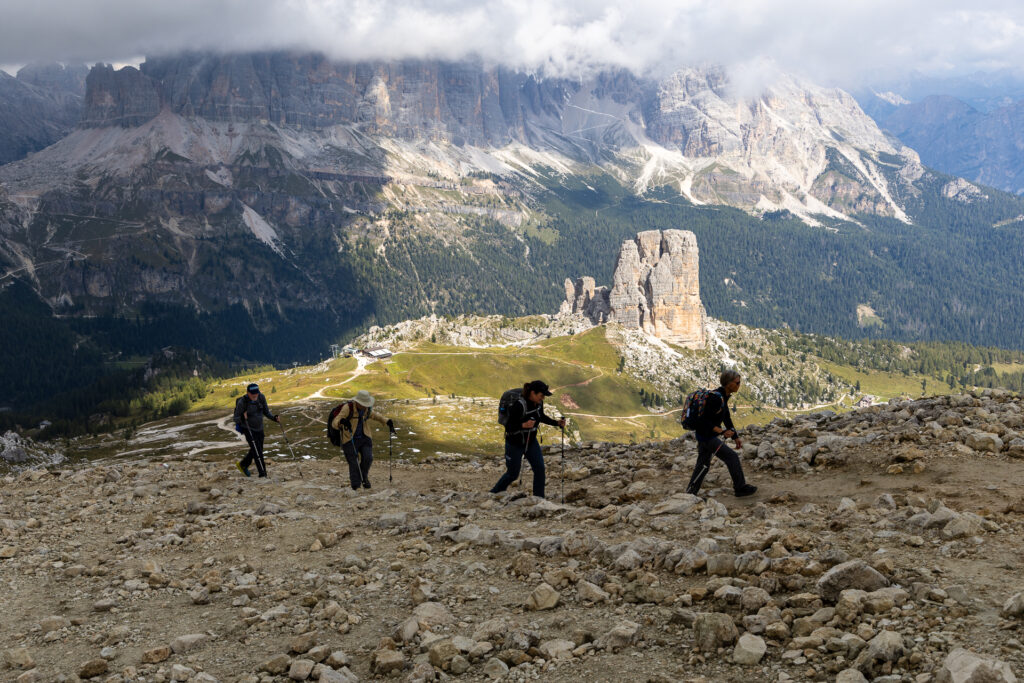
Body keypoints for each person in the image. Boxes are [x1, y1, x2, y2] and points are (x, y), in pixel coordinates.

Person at [685, 370, 758, 497]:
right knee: (732, 457)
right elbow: (703, 420)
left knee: (703, 464)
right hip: (707, 437)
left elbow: (726, 417)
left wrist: (735, 437)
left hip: (704, 436)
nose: (739, 385)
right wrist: (722, 431)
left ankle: (691, 491)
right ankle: (740, 488)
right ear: (729, 383)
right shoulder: (716, 398)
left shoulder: (722, 396)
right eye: (737, 382)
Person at [490, 380, 566, 499]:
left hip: (531, 442)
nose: (543, 398)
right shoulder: (519, 405)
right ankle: (494, 493)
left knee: (540, 469)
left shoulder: (538, 404)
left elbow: (541, 417)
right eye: (541, 395)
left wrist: (556, 423)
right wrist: (523, 425)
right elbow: (509, 426)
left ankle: (539, 498)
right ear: (533, 393)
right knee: (513, 474)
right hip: (514, 443)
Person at [330, 390, 395, 490]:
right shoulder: (348, 408)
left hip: (365, 437)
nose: (366, 406)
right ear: (358, 402)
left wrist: (387, 421)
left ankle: (364, 477)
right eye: (364, 404)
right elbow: (335, 422)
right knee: (354, 462)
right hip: (349, 439)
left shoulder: (366, 409)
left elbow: (375, 415)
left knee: (368, 458)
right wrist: (342, 421)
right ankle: (356, 486)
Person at [234, 382, 279, 478]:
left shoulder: (261, 397)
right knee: (258, 452)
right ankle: (263, 474)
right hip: (248, 429)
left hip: (259, 428)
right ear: (248, 392)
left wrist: (274, 418)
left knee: (257, 450)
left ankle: (243, 464)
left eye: (256, 393)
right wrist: (242, 417)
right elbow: (236, 418)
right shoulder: (242, 402)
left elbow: (266, 412)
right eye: (253, 393)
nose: (255, 395)